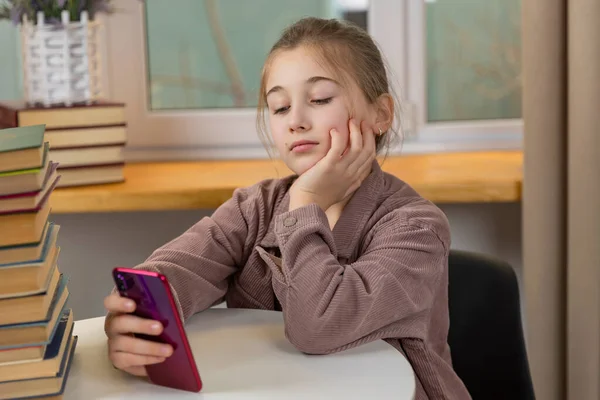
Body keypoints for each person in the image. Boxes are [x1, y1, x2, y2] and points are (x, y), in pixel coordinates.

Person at [103, 17, 471, 399]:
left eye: (320, 100)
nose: (295, 121)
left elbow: (318, 325)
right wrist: (135, 320)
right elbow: (173, 272)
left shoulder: (416, 227)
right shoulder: (254, 208)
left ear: (381, 114)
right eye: (279, 107)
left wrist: (306, 203)